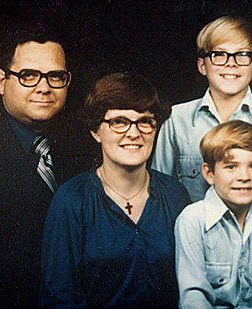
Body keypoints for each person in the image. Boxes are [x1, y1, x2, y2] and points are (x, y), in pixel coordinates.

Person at [0, 28, 97, 308]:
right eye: (28, 75)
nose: (43, 88)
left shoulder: (86, 145)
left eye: (55, 77)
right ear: (1, 81)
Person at [151, 15, 252, 250]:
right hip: (192, 256)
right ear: (203, 65)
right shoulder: (175, 121)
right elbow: (159, 197)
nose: (230, 64)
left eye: (242, 55)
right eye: (219, 54)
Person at [40, 72, 191, 309]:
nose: (133, 133)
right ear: (96, 131)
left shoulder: (175, 195)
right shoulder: (72, 200)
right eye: (118, 121)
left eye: (145, 121)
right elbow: (60, 299)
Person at [175, 120, 252, 308]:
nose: (244, 177)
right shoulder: (192, 220)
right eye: (231, 166)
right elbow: (193, 296)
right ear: (209, 173)